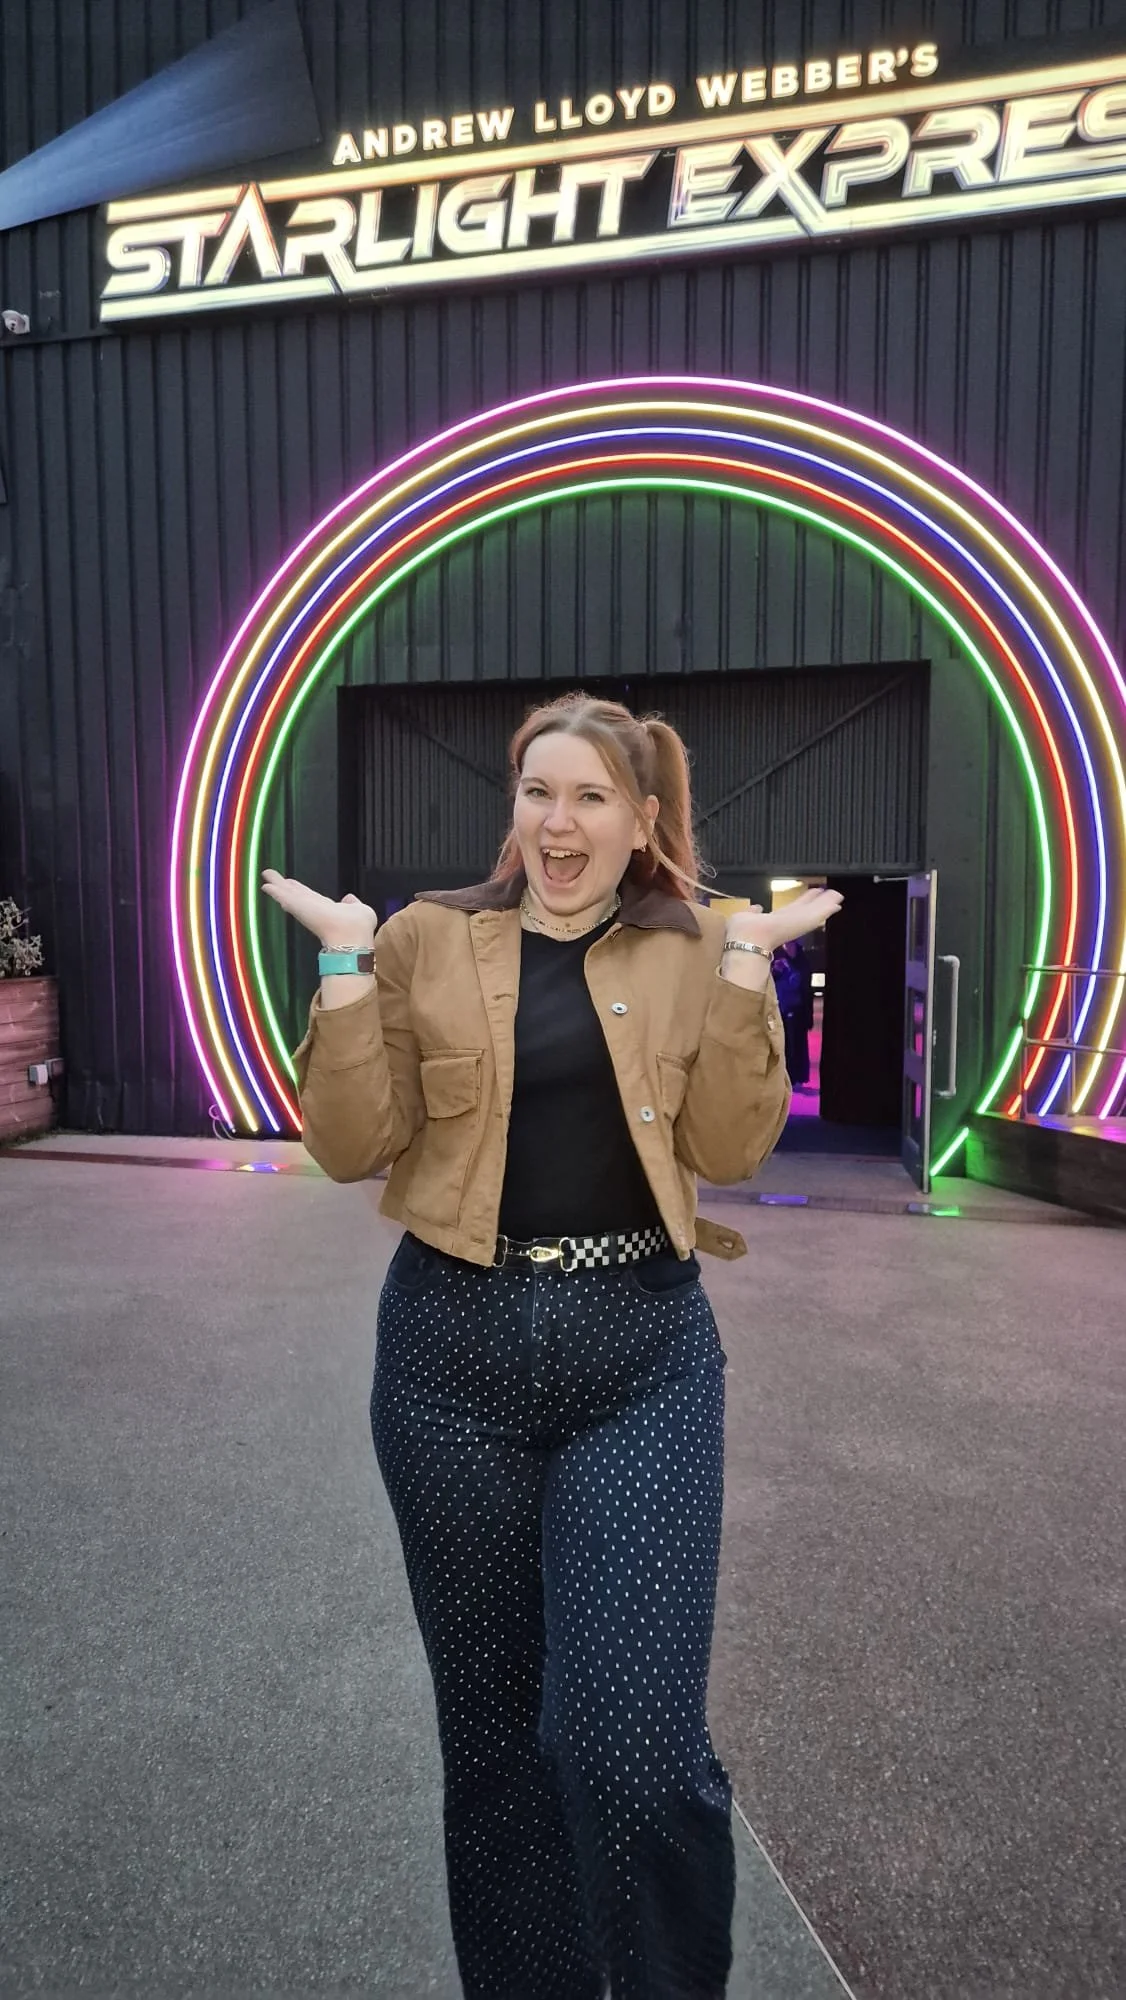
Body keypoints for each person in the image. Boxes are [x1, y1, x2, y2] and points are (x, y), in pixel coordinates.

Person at [262, 694, 842, 2000]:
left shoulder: (692, 951)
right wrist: (348, 971)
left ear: (642, 823)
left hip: (639, 1353)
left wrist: (749, 977)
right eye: (535, 792)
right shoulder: (422, 939)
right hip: (446, 1363)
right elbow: (351, 1148)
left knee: (630, 1747)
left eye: (588, 797)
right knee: (496, 1753)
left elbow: (732, 1148)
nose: (556, 822)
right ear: (511, 810)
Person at [770, 937, 814, 1090]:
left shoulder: (803, 959)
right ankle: (784, 1076)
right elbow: (768, 981)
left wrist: (809, 1015)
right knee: (784, 1042)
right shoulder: (777, 955)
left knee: (798, 1041)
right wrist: (775, 971)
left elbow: (808, 989)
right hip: (781, 1006)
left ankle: (798, 1076)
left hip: (799, 1007)